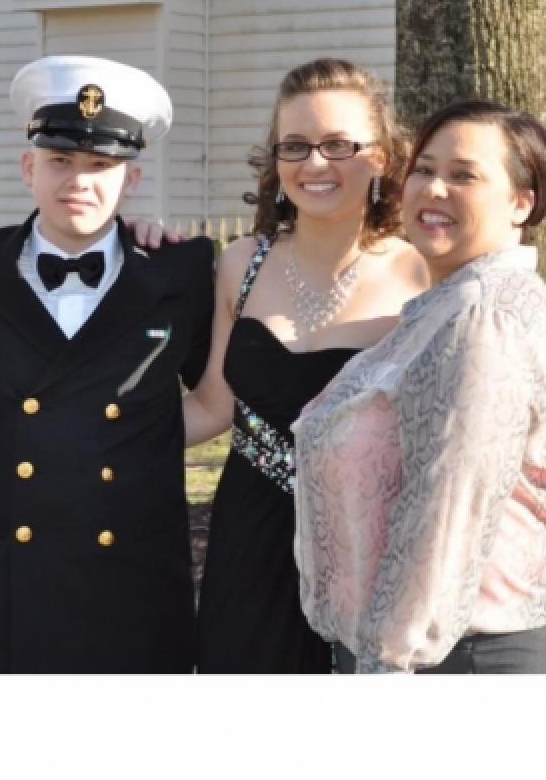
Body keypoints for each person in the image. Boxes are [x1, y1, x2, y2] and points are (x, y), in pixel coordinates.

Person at [0, 55, 214, 673]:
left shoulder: (180, 271)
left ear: (131, 179)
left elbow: (219, 395)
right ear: (28, 167)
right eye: (60, 160)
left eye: (100, 165)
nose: (78, 181)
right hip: (5, 579)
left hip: (133, 576)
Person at [183, 58, 429, 673]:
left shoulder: (422, 273)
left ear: (381, 158)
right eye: (295, 145)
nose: (315, 164)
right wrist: (91, 429)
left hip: (367, 546)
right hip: (248, 539)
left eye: (339, 144)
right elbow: (212, 406)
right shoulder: (241, 264)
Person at [292, 99, 546, 674]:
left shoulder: (484, 316)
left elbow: (450, 505)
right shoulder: (445, 308)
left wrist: (387, 663)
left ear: (521, 202)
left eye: (464, 176)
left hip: (458, 658)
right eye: (425, 170)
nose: (433, 189)